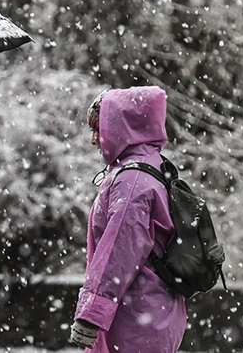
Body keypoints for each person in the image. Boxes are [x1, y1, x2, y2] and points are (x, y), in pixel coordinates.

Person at [70, 86, 186, 353]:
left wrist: (91, 314)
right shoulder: (153, 167)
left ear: (120, 127)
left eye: (98, 130)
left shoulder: (132, 181)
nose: (94, 140)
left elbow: (119, 252)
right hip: (153, 312)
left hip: (136, 320)